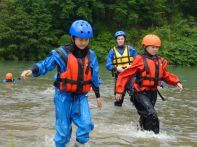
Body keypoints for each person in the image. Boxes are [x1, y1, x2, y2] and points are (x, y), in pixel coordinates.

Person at [21, 20, 102, 147]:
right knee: (63, 133)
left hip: (81, 96)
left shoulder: (91, 56)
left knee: (86, 125)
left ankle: (78, 145)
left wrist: (98, 96)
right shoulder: (62, 53)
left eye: (86, 39)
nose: (83, 42)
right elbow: (46, 64)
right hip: (63, 95)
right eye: (80, 39)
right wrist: (32, 70)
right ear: (72, 37)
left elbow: (95, 76)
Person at [115, 34, 183, 134]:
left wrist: (176, 82)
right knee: (152, 114)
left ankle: (141, 134)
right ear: (146, 47)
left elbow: (165, 75)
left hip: (152, 93)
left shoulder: (160, 61)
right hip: (139, 93)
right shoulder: (139, 59)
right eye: (153, 47)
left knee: (146, 115)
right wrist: (119, 91)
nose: (155, 49)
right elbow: (124, 75)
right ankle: (156, 138)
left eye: (157, 47)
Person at [106, 31, 138, 106]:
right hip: (119, 77)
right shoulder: (112, 51)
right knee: (118, 100)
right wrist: (116, 68)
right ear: (116, 40)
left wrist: (131, 66)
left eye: (122, 39)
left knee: (135, 97)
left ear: (124, 39)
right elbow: (108, 65)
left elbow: (138, 61)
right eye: (118, 39)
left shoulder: (131, 49)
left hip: (131, 77)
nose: (120, 40)